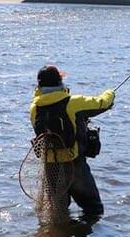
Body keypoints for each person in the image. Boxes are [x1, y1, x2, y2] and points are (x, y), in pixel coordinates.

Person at [29, 64, 115, 218]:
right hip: (75, 165)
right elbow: (103, 103)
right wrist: (110, 93)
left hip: (51, 168)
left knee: (58, 213)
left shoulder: (34, 108)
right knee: (94, 210)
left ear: (39, 85)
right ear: (59, 82)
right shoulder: (74, 102)